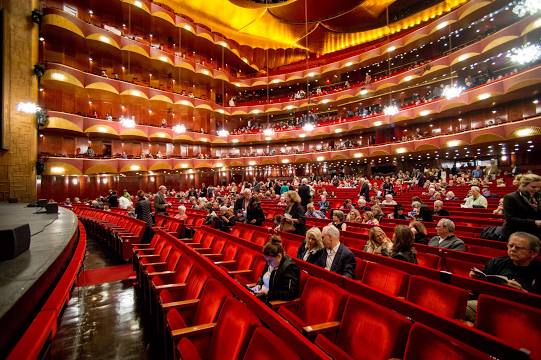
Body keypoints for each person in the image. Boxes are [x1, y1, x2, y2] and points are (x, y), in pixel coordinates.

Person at [469, 232, 541, 294]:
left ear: (532, 253)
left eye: (518, 247)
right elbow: (481, 287)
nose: (512, 249)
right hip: (490, 301)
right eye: (511, 245)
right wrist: (476, 278)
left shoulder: (538, 270)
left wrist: (522, 292)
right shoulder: (496, 262)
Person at [251, 235, 300, 303]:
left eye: (270, 261)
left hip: (272, 302)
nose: (268, 263)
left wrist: (267, 292)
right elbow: (263, 276)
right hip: (262, 295)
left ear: (279, 256)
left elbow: (289, 294)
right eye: (267, 260)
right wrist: (259, 284)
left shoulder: (290, 268)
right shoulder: (271, 261)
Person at [501, 173, 541, 240]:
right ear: (523, 185)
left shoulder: (538, 196)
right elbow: (510, 219)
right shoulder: (510, 197)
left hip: (535, 231)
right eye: (533, 187)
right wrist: (534, 222)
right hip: (516, 233)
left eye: (539, 187)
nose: (537, 189)